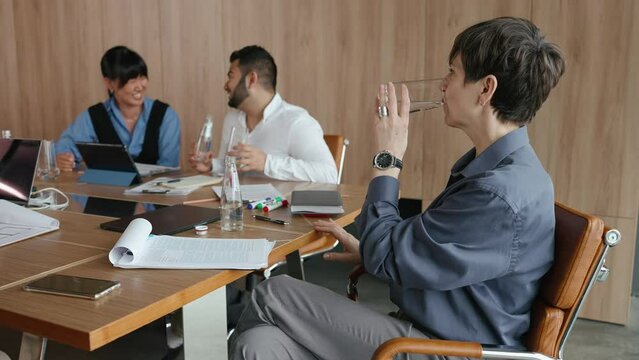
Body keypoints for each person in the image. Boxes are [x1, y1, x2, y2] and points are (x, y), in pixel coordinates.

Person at [229, 17, 566, 360]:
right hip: (425, 331)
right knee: (256, 346)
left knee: (272, 293)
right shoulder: (500, 171)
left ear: (485, 89)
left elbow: (390, 256)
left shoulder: (499, 192)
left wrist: (387, 159)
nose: (443, 85)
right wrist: (372, 252)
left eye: (453, 72)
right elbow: (439, 258)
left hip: (445, 349)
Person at [189, 45, 337, 184]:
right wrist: (212, 165)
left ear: (251, 79)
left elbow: (329, 175)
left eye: (231, 76)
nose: (226, 85)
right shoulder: (232, 119)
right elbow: (230, 167)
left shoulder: (296, 122)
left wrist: (267, 163)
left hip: (281, 209)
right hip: (237, 208)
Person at [55, 46, 181, 171]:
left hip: (154, 189)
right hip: (107, 189)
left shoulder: (165, 116)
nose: (139, 86)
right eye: (131, 80)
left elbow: (168, 169)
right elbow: (63, 148)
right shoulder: (94, 116)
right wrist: (63, 159)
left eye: (142, 78)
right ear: (109, 83)